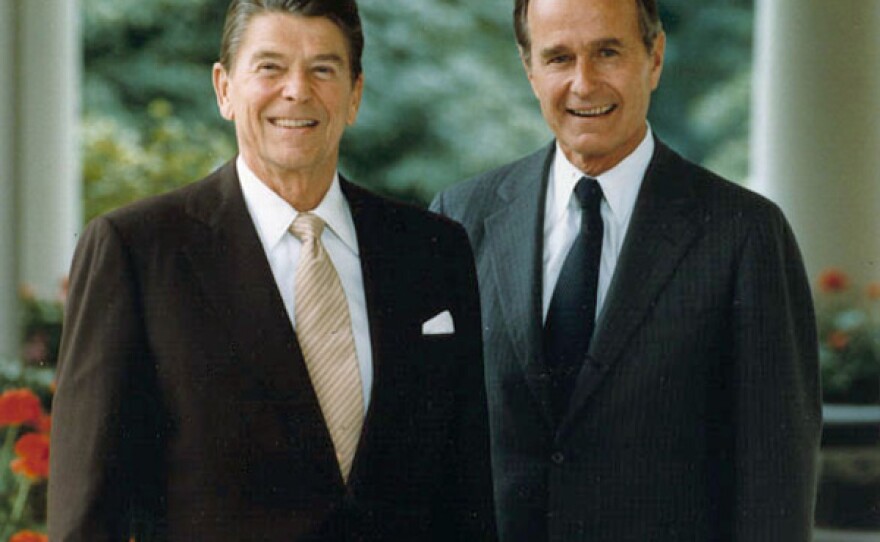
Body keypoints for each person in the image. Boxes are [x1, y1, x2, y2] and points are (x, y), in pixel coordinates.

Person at [48, 1, 496, 540]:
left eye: (323, 69)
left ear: (354, 94)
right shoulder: (137, 252)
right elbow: (87, 518)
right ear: (224, 88)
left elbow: (466, 500)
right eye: (270, 67)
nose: (297, 90)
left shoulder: (432, 252)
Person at [431, 0, 821, 540]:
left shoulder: (745, 234)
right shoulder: (459, 218)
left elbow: (775, 480)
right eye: (559, 57)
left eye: (607, 52)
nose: (584, 83)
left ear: (654, 58)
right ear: (529, 69)